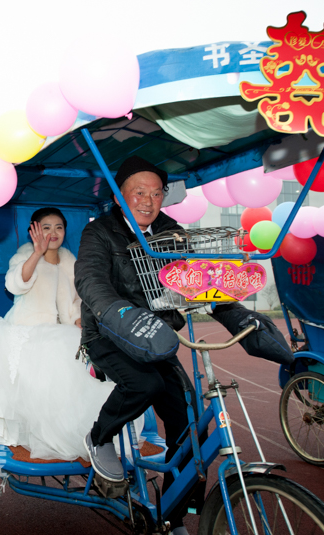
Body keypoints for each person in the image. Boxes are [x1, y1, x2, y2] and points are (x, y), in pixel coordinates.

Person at [75, 156, 200, 535]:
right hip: (108, 333)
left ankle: (173, 515)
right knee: (146, 385)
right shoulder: (99, 232)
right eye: (139, 192)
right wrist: (119, 313)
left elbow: (195, 275)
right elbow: (89, 279)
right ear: (120, 196)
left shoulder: (171, 231)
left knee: (190, 417)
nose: (148, 200)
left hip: (156, 337)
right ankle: (100, 437)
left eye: (156, 193)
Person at [0, 208, 131, 461]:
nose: (53, 233)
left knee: (96, 362)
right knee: (52, 360)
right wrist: (37, 253)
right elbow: (15, 284)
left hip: (64, 331)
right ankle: (39, 436)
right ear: (34, 230)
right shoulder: (25, 254)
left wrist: (80, 319)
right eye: (46, 227)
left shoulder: (70, 259)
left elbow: (75, 300)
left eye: (59, 227)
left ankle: (91, 434)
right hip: (27, 329)